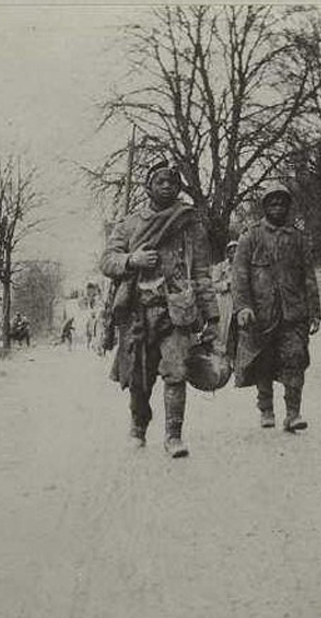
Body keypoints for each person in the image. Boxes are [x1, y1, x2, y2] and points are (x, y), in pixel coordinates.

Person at [100, 160, 219, 457]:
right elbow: (106, 261)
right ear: (148, 187)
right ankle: (138, 428)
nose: (166, 186)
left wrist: (212, 316)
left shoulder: (190, 224)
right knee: (139, 377)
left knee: (176, 371)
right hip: (138, 311)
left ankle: (173, 436)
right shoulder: (128, 224)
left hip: (176, 310)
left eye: (171, 181)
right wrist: (132, 260)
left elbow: (202, 272)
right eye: (160, 181)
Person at [232, 183, 321, 432]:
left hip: (293, 313)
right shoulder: (251, 236)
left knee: (296, 358)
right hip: (260, 314)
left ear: (288, 206)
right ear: (265, 207)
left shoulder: (298, 238)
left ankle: (293, 414)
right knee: (264, 361)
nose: (278, 207)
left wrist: (314, 311)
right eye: (273, 203)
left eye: (282, 203)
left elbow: (309, 277)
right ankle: (266, 410)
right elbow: (239, 276)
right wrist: (243, 308)